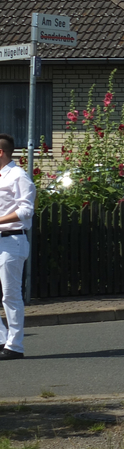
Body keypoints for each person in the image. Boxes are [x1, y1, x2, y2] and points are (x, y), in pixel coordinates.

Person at [0, 134, 35, 360]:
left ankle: (15, 346)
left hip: (12, 240)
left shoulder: (18, 176)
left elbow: (26, 210)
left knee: (10, 295)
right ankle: (2, 339)